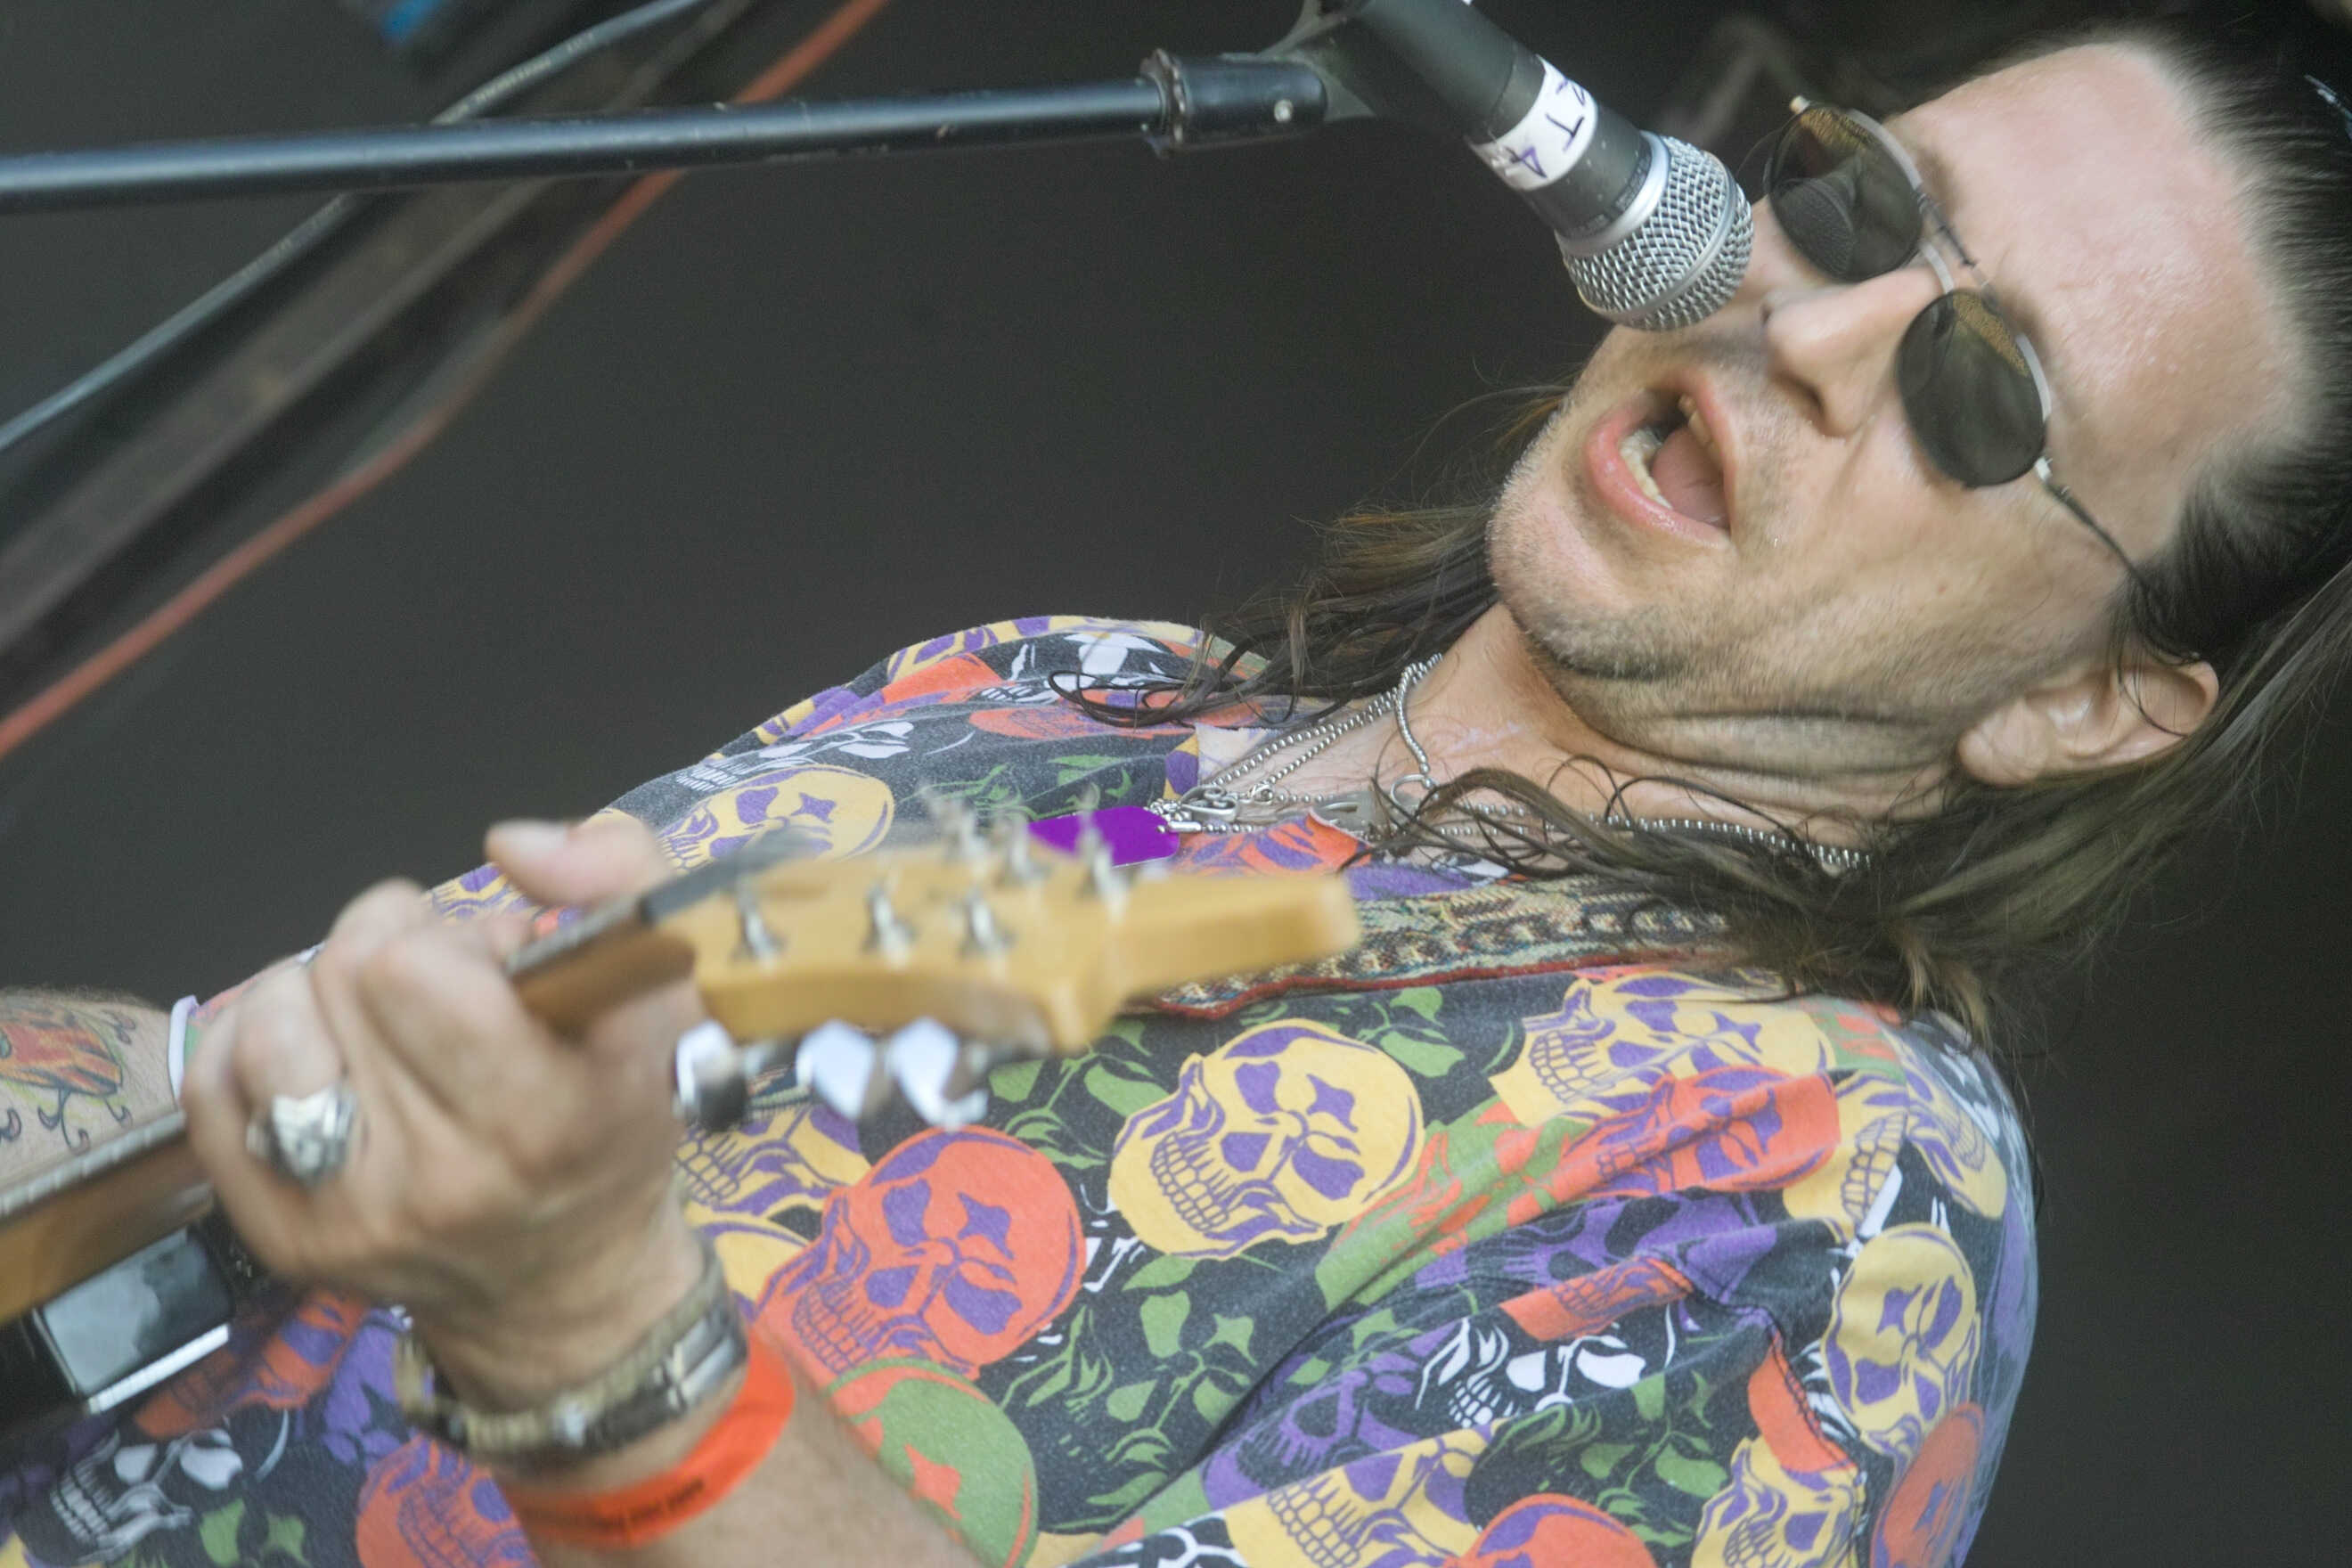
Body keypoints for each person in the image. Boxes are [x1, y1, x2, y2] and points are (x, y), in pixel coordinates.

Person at [4, 16, 2350, 1568]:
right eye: (1860, 204)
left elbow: (562, 1284)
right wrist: (168, 1084)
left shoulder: (1833, 1211)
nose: (1815, 331)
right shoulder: (1086, 695)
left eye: (1979, 394)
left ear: (2095, 703)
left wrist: (596, 1340)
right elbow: (247, 1120)